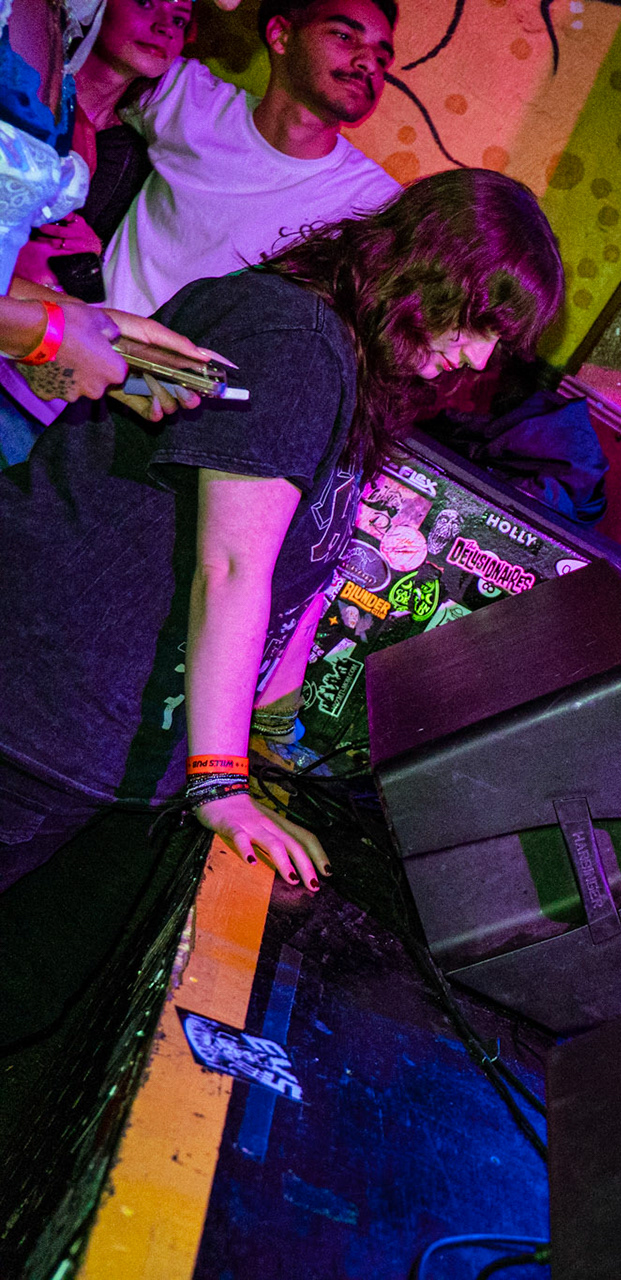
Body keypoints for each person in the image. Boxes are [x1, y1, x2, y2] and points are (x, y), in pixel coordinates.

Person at [0, 167, 565, 897]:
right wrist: (220, 785)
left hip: (70, 733)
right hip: (36, 701)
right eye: (479, 323)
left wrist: (273, 743)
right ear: (429, 271)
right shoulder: (296, 341)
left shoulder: (346, 366)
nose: (479, 358)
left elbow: (298, 577)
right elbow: (233, 568)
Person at [101, 0, 402, 318]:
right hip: (93, 332)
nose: (369, 64)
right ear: (281, 35)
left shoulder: (379, 206)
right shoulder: (185, 97)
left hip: (211, 352)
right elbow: (82, 65)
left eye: (382, 59)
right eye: (344, 36)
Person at [12, 0, 195, 302]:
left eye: (179, 20)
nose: (164, 27)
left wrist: (93, 248)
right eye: (146, 3)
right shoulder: (21, 83)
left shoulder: (130, 155)